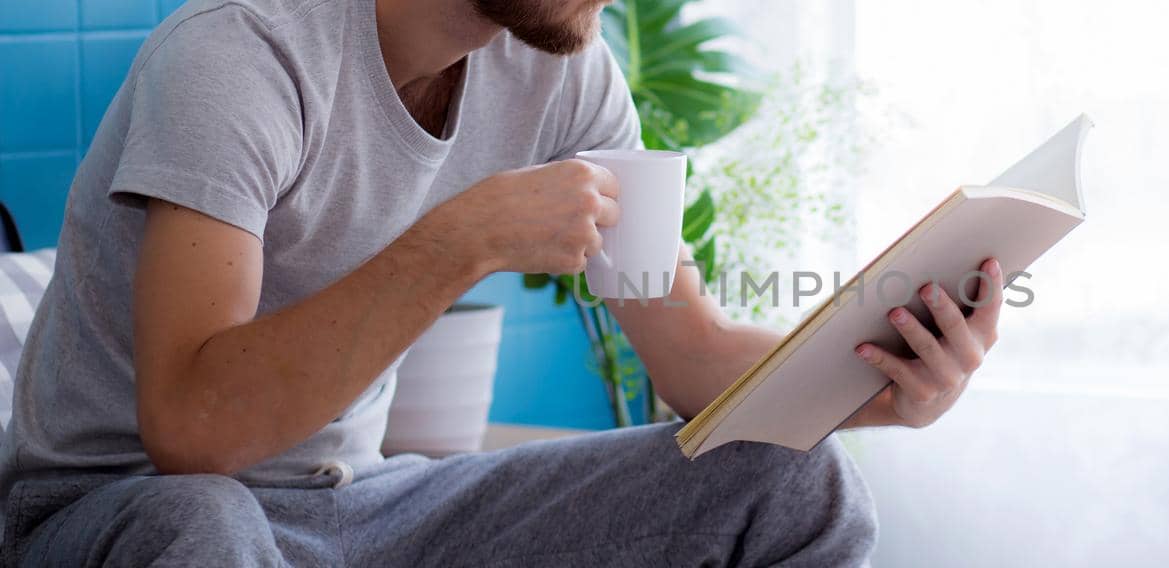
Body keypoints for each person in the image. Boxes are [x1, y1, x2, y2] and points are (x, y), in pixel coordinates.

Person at [0, 0, 1007, 564]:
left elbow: (693, 358)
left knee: (791, 476)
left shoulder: (566, 71)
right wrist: (458, 241)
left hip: (357, 506)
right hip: (121, 513)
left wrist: (876, 375)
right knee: (204, 527)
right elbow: (191, 432)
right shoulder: (240, 56)